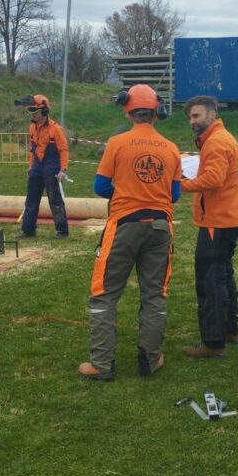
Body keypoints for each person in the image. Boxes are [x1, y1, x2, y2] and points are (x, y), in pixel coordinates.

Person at [78, 85, 182, 381]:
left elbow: (101, 186)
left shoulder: (117, 143)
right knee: (154, 295)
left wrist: (126, 190)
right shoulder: (171, 148)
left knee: (105, 294)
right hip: (160, 227)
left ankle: (102, 364)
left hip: (124, 225)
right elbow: (174, 194)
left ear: (128, 110)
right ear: (157, 112)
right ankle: (151, 359)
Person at [179, 95, 238, 359]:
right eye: (190, 117)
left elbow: (213, 179)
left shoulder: (216, 142)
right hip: (227, 218)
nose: (192, 122)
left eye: (196, 116)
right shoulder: (222, 138)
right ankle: (229, 329)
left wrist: (180, 185)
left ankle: (213, 341)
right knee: (223, 275)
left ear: (212, 114)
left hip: (216, 221)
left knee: (210, 281)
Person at [19, 94, 69, 238]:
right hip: (37, 167)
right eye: (31, 111)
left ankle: (62, 231)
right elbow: (32, 149)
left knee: (55, 200)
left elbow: (64, 150)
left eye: (35, 111)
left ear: (45, 111)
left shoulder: (56, 129)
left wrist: (63, 170)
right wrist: (31, 166)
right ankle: (28, 230)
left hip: (51, 167)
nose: (33, 114)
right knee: (31, 200)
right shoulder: (32, 127)